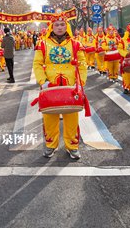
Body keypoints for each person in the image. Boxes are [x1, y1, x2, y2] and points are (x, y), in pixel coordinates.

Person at [33, 11, 88, 160]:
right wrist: (42, 81)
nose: (59, 27)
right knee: (50, 117)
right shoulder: (43, 43)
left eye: (62, 24)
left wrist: (81, 82)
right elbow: (37, 64)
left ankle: (72, 146)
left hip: (70, 87)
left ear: (66, 26)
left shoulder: (75, 44)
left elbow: (83, 64)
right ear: (52, 26)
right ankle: (51, 145)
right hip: (50, 86)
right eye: (56, 24)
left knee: (71, 117)